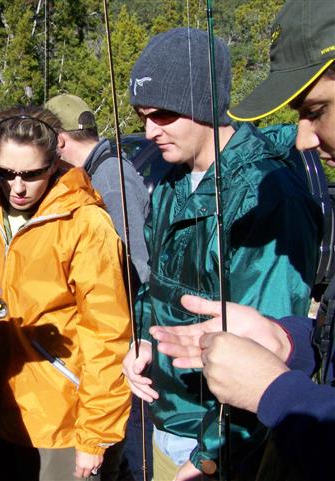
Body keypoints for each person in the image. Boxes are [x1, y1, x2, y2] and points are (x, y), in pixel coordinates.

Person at [121, 27, 321, 481]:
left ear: (204, 106)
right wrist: (143, 340)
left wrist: (212, 453)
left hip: (222, 443)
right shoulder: (172, 180)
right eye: (141, 115)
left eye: (163, 114)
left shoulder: (267, 196)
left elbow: (267, 351)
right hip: (168, 417)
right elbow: (159, 287)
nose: (150, 131)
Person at [0, 106, 132, 481]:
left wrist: (95, 436)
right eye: (6, 173)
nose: (17, 187)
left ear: (54, 164)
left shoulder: (86, 223)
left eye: (31, 174)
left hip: (59, 420)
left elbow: (108, 334)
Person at [45, 93, 152, 481]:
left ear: (59, 141)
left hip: (127, 343)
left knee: (131, 449)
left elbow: (133, 265)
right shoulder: (106, 169)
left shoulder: (108, 175)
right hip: (123, 338)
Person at [44, 93, 150, 288]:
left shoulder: (109, 181)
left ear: (59, 141)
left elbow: (138, 264)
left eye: (45, 142)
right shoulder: (97, 171)